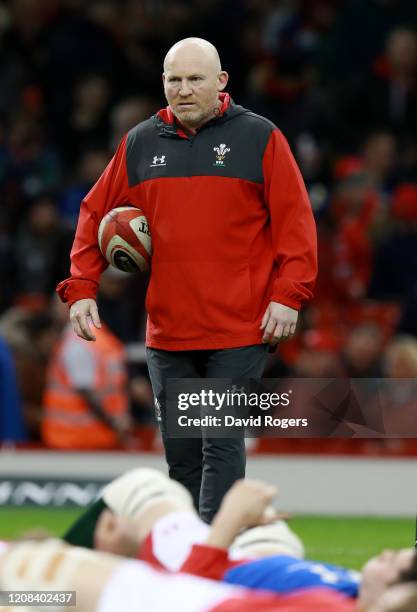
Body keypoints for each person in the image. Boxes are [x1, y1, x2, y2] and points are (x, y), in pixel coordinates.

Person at [56, 37, 318, 522]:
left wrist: (289, 295)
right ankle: (191, 559)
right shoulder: (139, 143)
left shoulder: (260, 137)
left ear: (221, 82)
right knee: (182, 458)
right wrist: (82, 287)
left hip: (240, 326)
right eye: (174, 80)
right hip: (170, 330)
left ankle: (208, 557)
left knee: (220, 444)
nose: (183, 89)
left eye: (195, 78)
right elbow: (94, 213)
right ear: (163, 83)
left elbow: (296, 222)